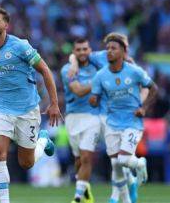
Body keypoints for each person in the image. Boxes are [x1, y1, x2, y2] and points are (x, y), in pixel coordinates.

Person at [0, 7, 60, 203]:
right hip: (0, 109)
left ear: (6, 25)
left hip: (27, 110)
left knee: (26, 163)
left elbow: (45, 70)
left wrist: (54, 104)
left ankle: (43, 141)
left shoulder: (21, 47)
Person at [67, 33, 146, 203]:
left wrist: (141, 104)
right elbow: (77, 53)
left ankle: (116, 195)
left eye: (125, 46)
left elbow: (144, 86)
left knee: (119, 158)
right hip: (102, 116)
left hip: (124, 118)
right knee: (115, 160)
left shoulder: (130, 66)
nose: (125, 50)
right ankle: (128, 185)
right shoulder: (101, 57)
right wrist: (73, 63)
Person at [89, 34, 158, 203]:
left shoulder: (134, 70)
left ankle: (140, 164)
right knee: (116, 165)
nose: (109, 52)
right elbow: (95, 98)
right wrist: (93, 100)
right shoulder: (100, 75)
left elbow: (153, 88)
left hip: (132, 122)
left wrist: (143, 107)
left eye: (114, 48)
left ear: (123, 51)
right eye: (108, 48)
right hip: (111, 122)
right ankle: (125, 197)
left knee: (122, 159)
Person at [60, 38, 100, 203]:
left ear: (90, 50)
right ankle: (85, 186)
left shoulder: (97, 66)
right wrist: (99, 80)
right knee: (78, 159)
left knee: (86, 157)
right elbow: (78, 91)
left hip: (92, 116)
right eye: (79, 50)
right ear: (74, 52)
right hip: (73, 117)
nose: (82, 52)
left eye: (85, 49)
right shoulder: (67, 70)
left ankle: (77, 197)